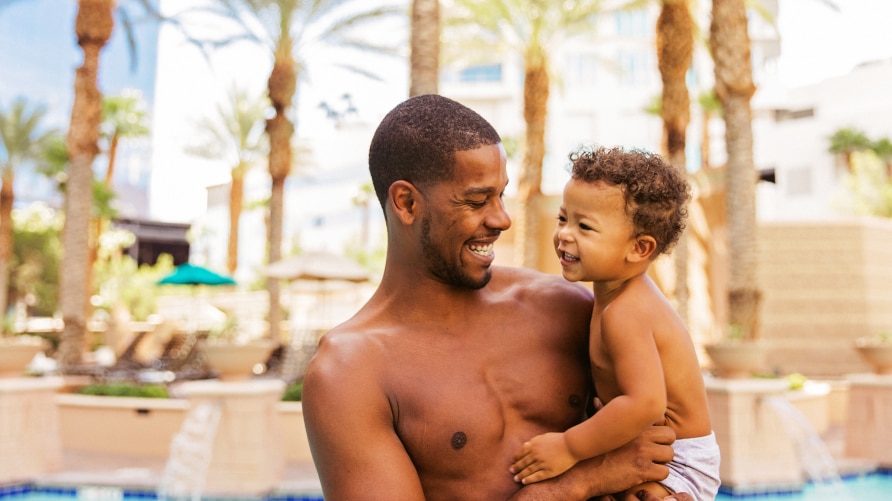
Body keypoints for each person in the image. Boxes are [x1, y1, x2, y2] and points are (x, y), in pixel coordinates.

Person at [302, 95, 693, 501]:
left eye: (501, 196)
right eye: (476, 200)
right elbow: (615, 466)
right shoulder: (350, 373)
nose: (502, 219)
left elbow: (667, 442)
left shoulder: (565, 308)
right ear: (407, 202)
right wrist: (586, 480)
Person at [509, 146, 720, 500]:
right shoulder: (613, 299)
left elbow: (645, 404)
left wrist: (569, 448)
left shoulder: (626, 312)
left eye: (585, 226)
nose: (564, 234)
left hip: (677, 464)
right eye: (563, 219)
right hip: (663, 452)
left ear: (639, 249)